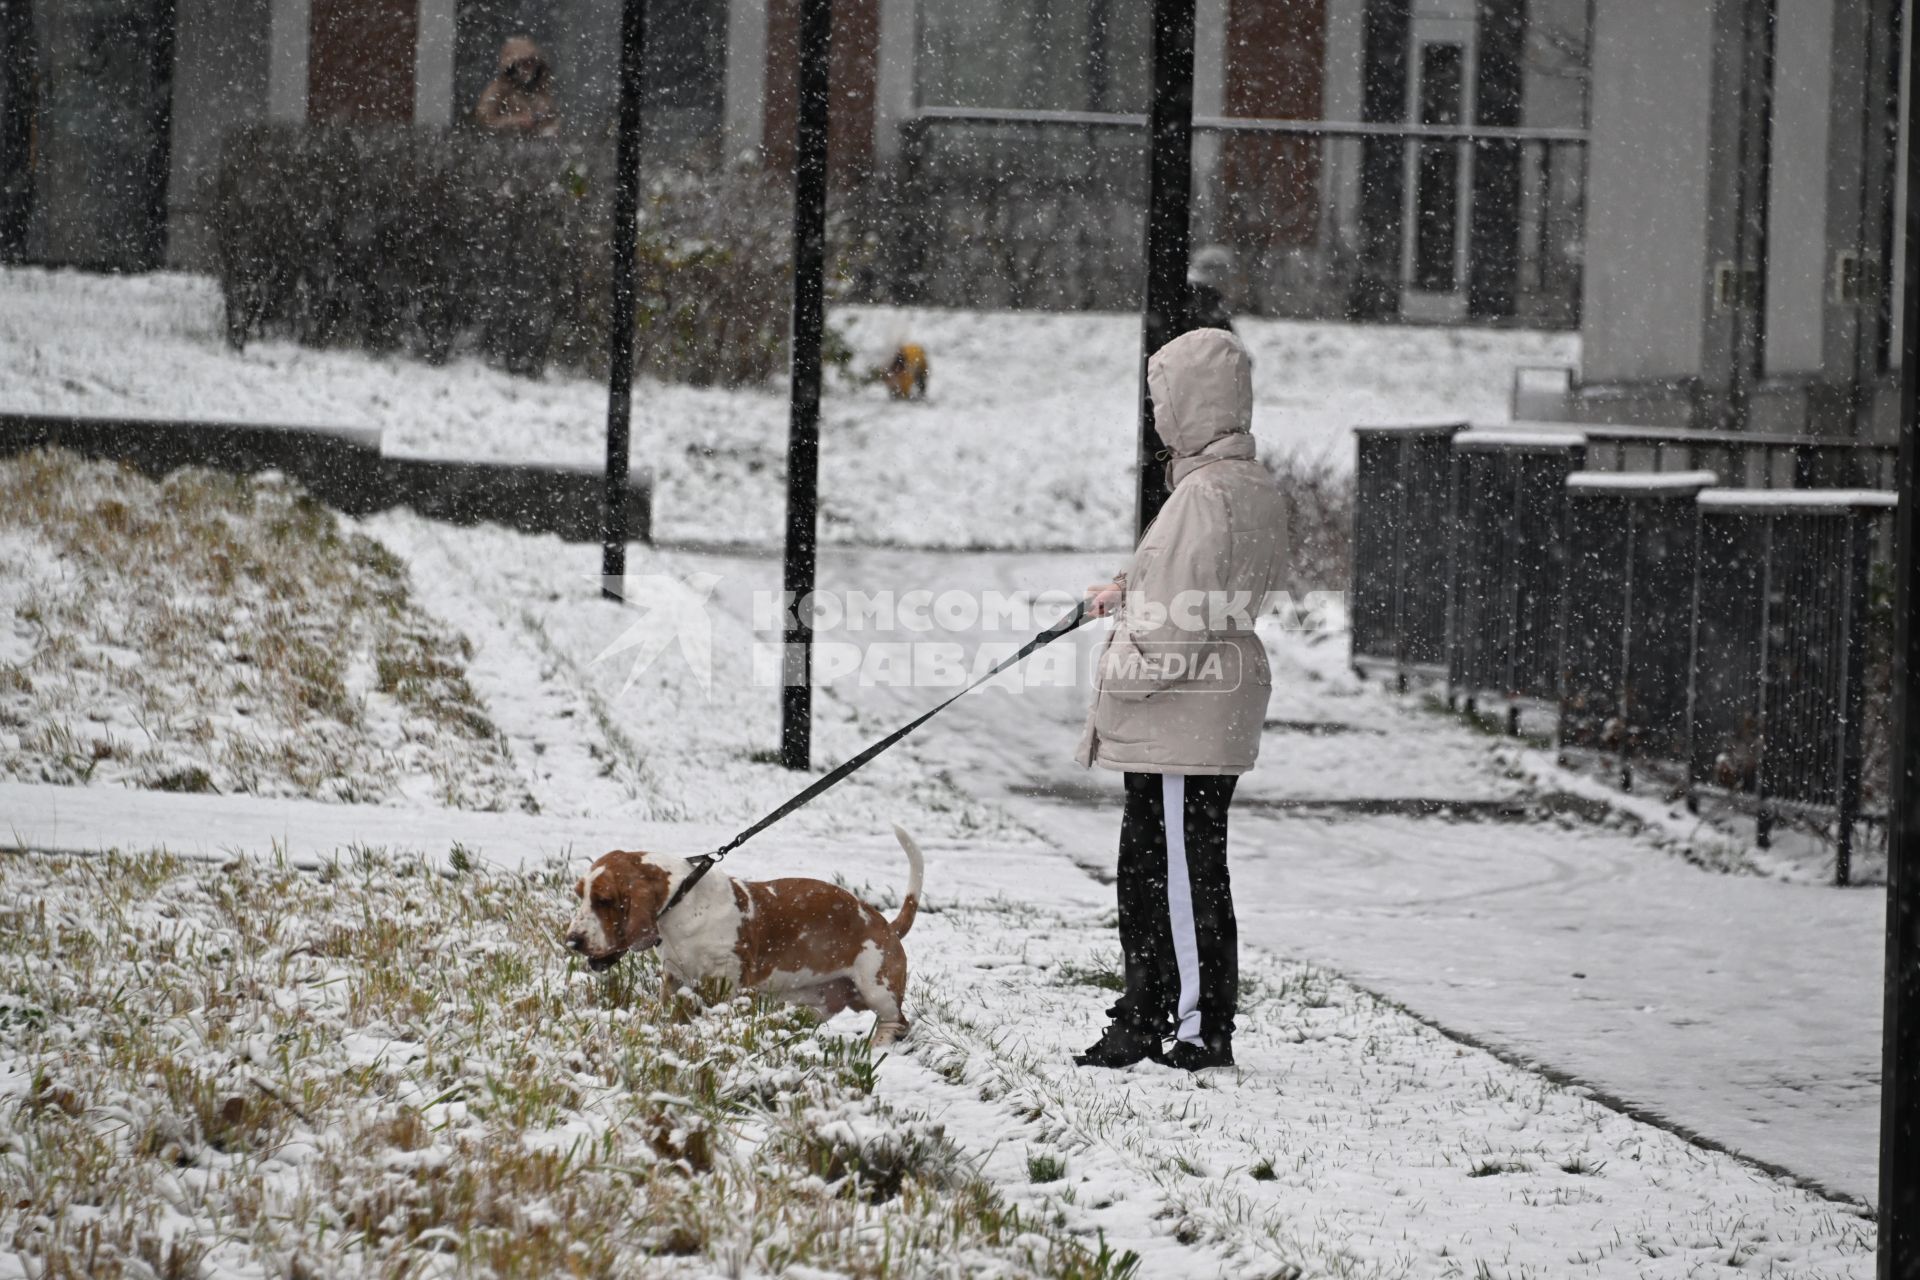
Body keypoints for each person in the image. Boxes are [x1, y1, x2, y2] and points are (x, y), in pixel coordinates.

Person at [1073, 326, 1288, 1072]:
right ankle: (1153, 1010)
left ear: (1190, 402)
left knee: (1171, 872)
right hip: (1204, 702)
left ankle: (1192, 1026)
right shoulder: (1241, 485)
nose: (1156, 412)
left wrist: (1112, 674)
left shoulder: (1202, 495)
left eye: (1162, 397)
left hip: (1181, 713)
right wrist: (1126, 592)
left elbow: (1169, 634)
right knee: (1172, 867)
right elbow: (1199, 584)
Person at [473, 36, 560, 137]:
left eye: (532, 61)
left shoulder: (541, 87)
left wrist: (547, 125)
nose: (529, 67)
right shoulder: (498, 89)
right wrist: (514, 121)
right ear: (513, 65)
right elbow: (483, 121)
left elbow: (553, 118)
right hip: (503, 146)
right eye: (524, 63)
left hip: (536, 146)